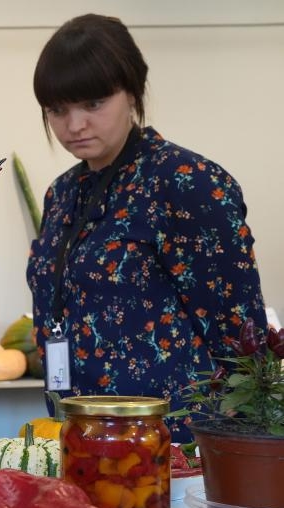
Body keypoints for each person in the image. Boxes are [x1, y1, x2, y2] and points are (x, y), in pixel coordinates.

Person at [26, 14, 266, 443]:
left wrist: (240, 444)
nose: (74, 125)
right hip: (79, 432)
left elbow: (240, 334)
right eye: (58, 110)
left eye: (93, 104)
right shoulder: (61, 194)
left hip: (173, 443)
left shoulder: (187, 181)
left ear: (132, 93)